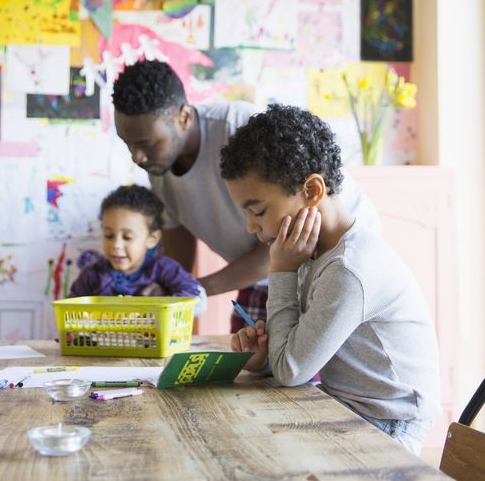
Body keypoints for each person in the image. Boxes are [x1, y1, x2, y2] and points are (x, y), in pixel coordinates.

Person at [221, 104, 440, 457]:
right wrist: (263, 359)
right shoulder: (308, 251)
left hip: (388, 424)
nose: (251, 227)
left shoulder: (349, 268)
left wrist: (280, 273)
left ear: (312, 191)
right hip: (344, 407)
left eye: (258, 211)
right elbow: (288, 359)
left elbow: (292, 370)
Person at [111, 60, 377, 332]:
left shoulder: (239, 130)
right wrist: (173, 289)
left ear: (184, 116)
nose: (136, 157)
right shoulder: (158, 165)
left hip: (321, 264)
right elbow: (179, 250)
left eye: (148, 144)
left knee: (304, 366)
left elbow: (287, 239)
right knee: (249, 361)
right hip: (269, 271)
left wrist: (196, 289)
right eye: (127, 144)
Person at [69, 185, 205, 313]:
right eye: (109, 235)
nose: (116, 245)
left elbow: (194, 295)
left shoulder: (163, 269)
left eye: (127, 237)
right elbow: (70, 309)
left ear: (152, 239)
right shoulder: (93, 275)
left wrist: (161, 306)